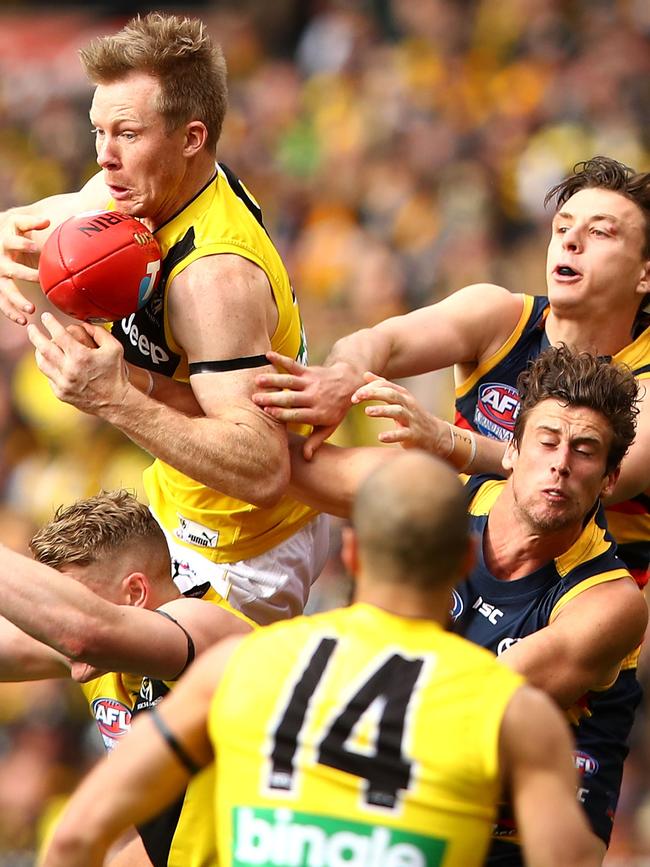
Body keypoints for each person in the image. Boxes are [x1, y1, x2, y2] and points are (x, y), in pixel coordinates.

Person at [39, 452, 601, 867]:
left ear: (351, 552)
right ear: (462, 562)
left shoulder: (241, 664)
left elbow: (73, 839)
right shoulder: (510, 711)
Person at [0, 12, 328, 625]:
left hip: (244, 551)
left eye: (126, 134)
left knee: (79, 640)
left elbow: (262, 468)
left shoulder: (214, 280)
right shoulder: (142, 188)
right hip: (175, 504)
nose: (104, 157)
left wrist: (114, 398)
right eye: (97, 131)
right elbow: (41, 219)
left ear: (191, 137)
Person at [285, 344, 648, 865]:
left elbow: (470, 709)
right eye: (546, 442)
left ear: (609, 481)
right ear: (510, 451)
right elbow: (282, 466)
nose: (561, 464)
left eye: (585, 451)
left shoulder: (610, 601)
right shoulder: (436, 501)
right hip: (409, 791)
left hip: (516, 838)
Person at [252, 156, 650, 585]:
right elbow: (378, 341)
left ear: (645, 275)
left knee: (429, 479)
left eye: (599, 232)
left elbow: (598, 474)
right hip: (453, 560)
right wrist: (343, 376)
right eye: (562, 227)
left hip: (571, 595)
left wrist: (447, 440)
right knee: (263, 443)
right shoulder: (500, 315)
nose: (570, 241)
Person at [0, 489, 252, 867]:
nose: (52, 624)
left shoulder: (206, 627)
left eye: (72, 601)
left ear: (135, 593)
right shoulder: (99, 655)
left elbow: (83, 632)